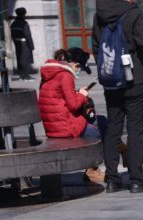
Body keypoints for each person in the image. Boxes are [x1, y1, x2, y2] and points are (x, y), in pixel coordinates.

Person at [92, 0, 143, 194]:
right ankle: (136, 180)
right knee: (135, 130)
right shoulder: (134, 14)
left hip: (111, 79)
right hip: (133, 79)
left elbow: (96, 47)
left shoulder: (99, 14)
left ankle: (112, 180)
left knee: (113, 128)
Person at [38, 48, 105, 184]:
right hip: (65, 128)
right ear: (75, 65)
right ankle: (93, 170)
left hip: (53, 126)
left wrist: (77, 93)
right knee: (102, 126)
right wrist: (82, 94)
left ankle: (95, 168)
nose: (78, 71)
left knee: (98, 120)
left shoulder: (49, 74)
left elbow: (57, 99)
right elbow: (74, 105)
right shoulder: (65, 75)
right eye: (79, 68)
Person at [10, 8, 35, 80]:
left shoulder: (13, 23)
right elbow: (28, 36)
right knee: (26, 60)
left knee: (19, 59)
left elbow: (12, 35)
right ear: (23, 14)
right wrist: (32, 46)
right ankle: (26, 75)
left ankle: (21, 75)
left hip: (17, 44)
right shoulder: (24, 23)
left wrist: (16, 43)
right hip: (25, 44)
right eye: (24, 14)